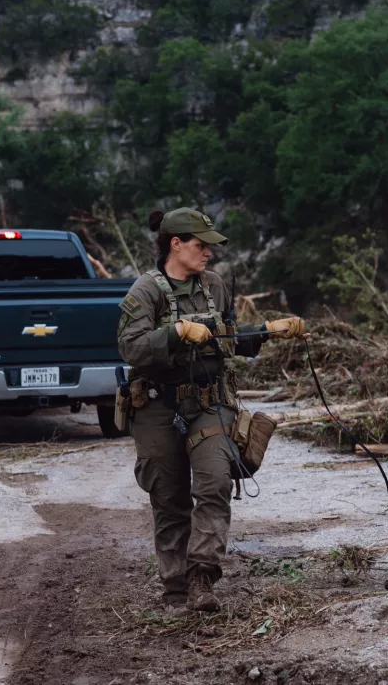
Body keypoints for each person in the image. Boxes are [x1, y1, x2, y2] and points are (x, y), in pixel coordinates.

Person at [117, 207, 306, 613]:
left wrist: (269, 331)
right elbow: (130, 347)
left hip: (208, 403)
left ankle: (202, 576)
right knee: (169, 500)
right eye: (201, 246)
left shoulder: (214, 286)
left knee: (215, 484)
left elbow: (228, 337)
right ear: (176, 244)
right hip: (156, 406)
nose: (208, 254)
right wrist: (177, 331)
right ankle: (175, 590)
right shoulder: (144, 292)